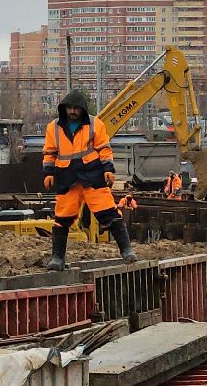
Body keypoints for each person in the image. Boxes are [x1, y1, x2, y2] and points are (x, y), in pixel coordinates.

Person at [42, 89, 136, 269]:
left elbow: (104, 149)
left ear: (82, 109)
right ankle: (57, 258)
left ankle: (126, 250)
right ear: (64, 109)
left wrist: (108, 169)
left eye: (75, 108)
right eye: (69, 108)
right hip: (67, 179)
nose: (72, 112)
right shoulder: (53, 127)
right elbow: (49, 152)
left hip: (93, 176)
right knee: (62, 217)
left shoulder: (95, 124)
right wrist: (48, 172)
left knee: (108, 212)